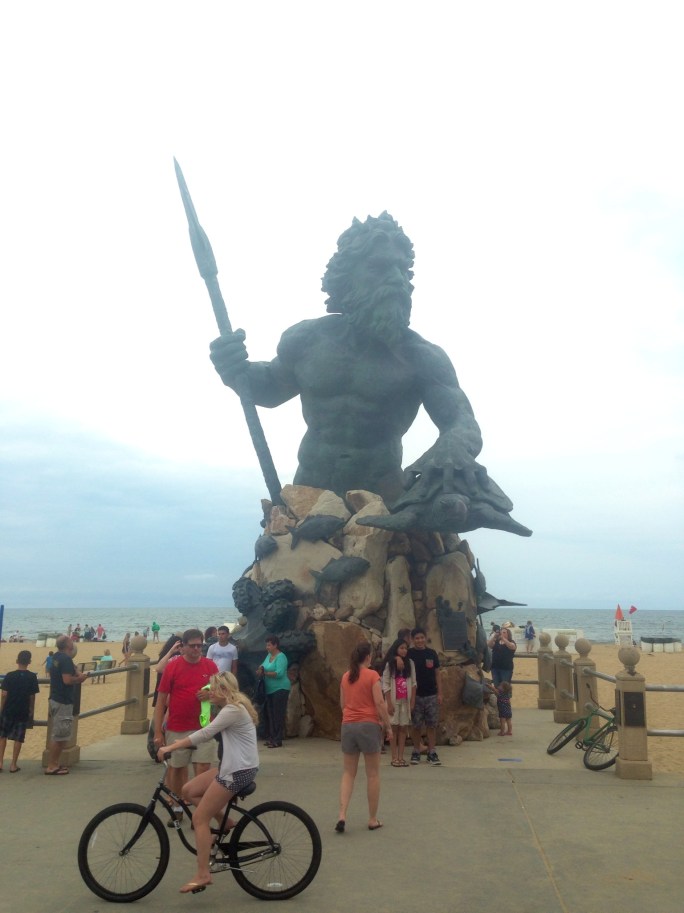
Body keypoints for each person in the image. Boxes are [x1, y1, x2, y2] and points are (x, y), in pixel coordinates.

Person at [209, 212, 530, 538]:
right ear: (347, 277)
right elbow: (269, 389)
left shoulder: (422, 358)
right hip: (308, 500)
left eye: (402, 270)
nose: (395, 280)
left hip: (383, 507)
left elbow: (462, 422)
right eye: (379, 268)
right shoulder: (306, 341)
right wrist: (234, 369)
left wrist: (451, 447)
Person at [158, 671, 259, 894]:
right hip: (231, 767)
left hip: (237, 772)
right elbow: (208, 732)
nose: (208, 692)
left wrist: (171, 746)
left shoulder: (232, 710)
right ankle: (227, 822)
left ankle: (203, 874)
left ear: (224, 690)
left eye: (212, 688)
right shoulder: (232, 707)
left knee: (199, 818)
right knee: (188, 790)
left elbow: (205, 733)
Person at [153, 629, 219, 823]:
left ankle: (201, 813)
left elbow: (223, 696)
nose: (197, 649)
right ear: (183, 646)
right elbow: (160, 701)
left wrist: (210, 696)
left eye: (200, 645)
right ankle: (177, 807)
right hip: (177, 727)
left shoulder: (210, 666)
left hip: (204, 727)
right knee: (177, 768)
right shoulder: (173, 667)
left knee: (203, 769)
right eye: (193, 646)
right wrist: (158, 732)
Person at [336, 641, 393, 833]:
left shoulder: (346, 676)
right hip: (368, 725)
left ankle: (342, 814)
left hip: (348, 725)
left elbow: (343, 704)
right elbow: (379, 702)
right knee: (373, 774)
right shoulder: (372, 675)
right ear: (368, 657)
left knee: (348, 773)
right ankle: (372, 818)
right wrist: (388, 726)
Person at [46, 634, 89, 774]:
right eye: (71, 640)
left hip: (55, 698)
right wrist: (80, 680)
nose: (73, 642)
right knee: (60, 735)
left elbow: (73, 670)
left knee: (61, 733)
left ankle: (55, 763)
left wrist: (79, 673)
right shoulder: (65, 659)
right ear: (67, 645)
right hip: (62, 700)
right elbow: (67, 680)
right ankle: (51, 765)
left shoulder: (56, 657)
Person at [0, 649, 39, 773]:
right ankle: (13, 764)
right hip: (22, 710)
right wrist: (31, 709)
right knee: (18, 738)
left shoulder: (10, 675)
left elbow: (4, 694)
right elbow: (32, 696)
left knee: (2, 736)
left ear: (17, 661)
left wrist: (1, 708)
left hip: (8, 709)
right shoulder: (32, 677)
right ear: (29, 662)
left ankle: (0, 762)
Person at [408, 627, 442, 765]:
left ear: (425, 638)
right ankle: (416, 750)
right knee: (416, 725)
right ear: (412, 640)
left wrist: (440, 693)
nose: (420, 640)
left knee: (431, 725)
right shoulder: (409, 654)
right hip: (415, 696)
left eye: (422, 637)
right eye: (417, 638)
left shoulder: (432, 653)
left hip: (431, 695)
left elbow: (437, 674)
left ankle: (432, 752)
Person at [382, 639, 416, 767]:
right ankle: (394, 757)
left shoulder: (410, 663)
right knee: (393, 728)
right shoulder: (390, 664)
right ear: (396, 649)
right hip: (394, 701)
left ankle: (401, 757)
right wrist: (389, 703)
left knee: (403, 728)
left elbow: (413, 683)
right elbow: (385, 684)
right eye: (401, 648)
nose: (404, 650)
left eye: (406, 648)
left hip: (405, 701)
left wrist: (412, 701)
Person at [256, 635, 291, 748]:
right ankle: (271, 737)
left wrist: (265, 673)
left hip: (280, 689)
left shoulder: (281, 657)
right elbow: (263, 665)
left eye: (269, 645)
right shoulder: (269, 656)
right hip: (269, 690)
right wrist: (260, 669)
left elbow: (279, 673)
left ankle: (277, 739)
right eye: (266, 645)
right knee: (269, 714)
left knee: (278, 714)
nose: (267, 647)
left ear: (275, 645)